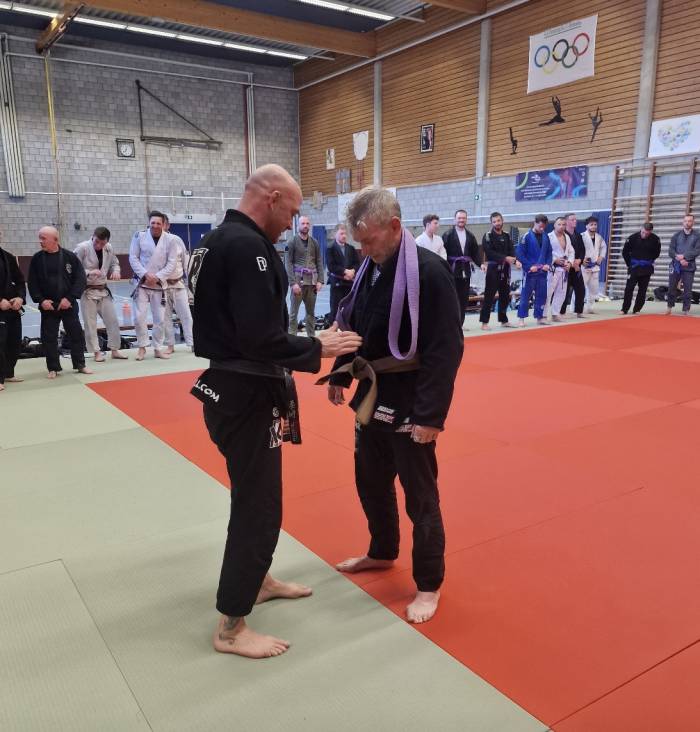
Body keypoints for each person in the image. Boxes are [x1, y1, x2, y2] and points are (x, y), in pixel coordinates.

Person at [190, 164, 362, 659]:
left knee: (256, 496)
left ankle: (257, 579)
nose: (291, 223)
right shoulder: (248, 248)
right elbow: (259, 338)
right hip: (245, 393)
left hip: (230, 386)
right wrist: (317, 347)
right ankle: (231, 625)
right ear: (271, 198)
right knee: (259, 505)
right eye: (291, 211)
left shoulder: (214, 241)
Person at [323, 186, 463, 625]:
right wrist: (342, 372)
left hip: (411, 399)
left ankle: (428, 584)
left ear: (395, 226)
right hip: (373, 394)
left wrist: (431, 416)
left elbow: (446, 349)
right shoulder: (371, 268)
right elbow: (354, 325)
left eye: (368, 240)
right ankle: (382, 550)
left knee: (420, 497)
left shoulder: (430, 272)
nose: (362, 250)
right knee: (370, 480)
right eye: (358, 243)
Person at [28, 226, 92, 378]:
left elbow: (80, 279)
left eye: (43, 238)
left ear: (55, 240)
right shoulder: (37, 259)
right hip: (48, 306)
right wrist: (41, 300)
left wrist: (70, 298)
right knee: (48, 338)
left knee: (76, 335)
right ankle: (53, 367)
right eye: (40, 238)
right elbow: (32, 282)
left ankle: (80, 364)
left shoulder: (70, 257)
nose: (40, 241)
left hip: (68, 304)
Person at [128, 211, 178, 361]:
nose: (155, 226)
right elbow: (133, 257)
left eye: (158, 223)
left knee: (160, 319)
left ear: (163, 224)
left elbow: (172, 262)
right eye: (153, 223)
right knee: (139, 317)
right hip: (142, 283)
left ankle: (157, 348)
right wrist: (145, 274)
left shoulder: (171, 239)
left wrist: (158, 277)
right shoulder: (139, 236)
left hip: (159, 284)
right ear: (149, 223)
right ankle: (142, 347)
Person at [74, 227, 127, 363]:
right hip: (87, 291)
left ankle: (114, 349)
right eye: (97, 242)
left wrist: (116, 271)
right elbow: (73, 268)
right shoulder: (82, 248)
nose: (99, 245)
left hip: (103, 290)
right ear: (93, 236)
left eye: (102, 243)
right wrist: (89, 272)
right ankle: (96, 352)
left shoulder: (108, 248)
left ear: (107, 242)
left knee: (112, 321)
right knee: (90, 324)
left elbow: (115, 263)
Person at [479, 211, 520, 330]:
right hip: (493, 269)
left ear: (502, 221)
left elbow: (511, 250)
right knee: (489, 296)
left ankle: (503, 320)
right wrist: (505, 258)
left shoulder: (506, 235)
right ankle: (484, 322)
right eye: (494, 221)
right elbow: (489, 253)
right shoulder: (487, 236)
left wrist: (515, 260)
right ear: (491, 223)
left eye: (498, 221)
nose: (497, 223)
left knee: (505, 295)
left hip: (506, 269)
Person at [286, 215, 324, 338]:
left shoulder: (314, 242)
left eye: (307, 223)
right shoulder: (292, 242)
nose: (305, 226)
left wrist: (320, 280)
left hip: (312, 282)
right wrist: (293, 283)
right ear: (298, 225)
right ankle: (292, 338)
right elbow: (288, 263)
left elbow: (319, 261)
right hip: (298, 282)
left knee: (311, 313)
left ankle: (311, 338)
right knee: (293, 313)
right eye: (303, 223)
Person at [162, 215, 194, 353]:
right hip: (162, 286)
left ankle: (192, 343)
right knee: (165, 317)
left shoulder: (176, 240)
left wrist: (190, 284)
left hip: (178, 283)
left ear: (167, 225)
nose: (159, 227)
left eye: (162, 224)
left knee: (186, 315)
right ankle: (170, 345)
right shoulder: (152, 243)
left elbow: (186, 262)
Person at [442, 209, 480, 325]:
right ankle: (450, 324)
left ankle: (460, 324)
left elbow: (475, 253)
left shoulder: (470, 235)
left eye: (463, 218)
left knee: (464, 299)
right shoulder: (447, 235)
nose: (461, 220)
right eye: (459, 218)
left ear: (466, 220)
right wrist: (444, 269)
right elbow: (443, 254)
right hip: (452, 270)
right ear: (455, 219)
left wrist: (481, 264)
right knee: (452, 298)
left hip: (465, 270)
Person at [0, 236, 26, 391]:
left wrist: (20, 297)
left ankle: (9, 373)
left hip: (12, 308)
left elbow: (20, 281)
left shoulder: (7, 257)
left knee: (14, 342)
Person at [516, 214, 551, 326]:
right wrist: (529, 266)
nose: (542, 228)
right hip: (530, 272)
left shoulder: (546, 236)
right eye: (540, 226)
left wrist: (548, 264)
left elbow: (549, 253)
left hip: (542, 272)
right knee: (525, 296)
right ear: (535, 223)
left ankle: (539, 317)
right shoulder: (526, 236)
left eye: (543, 227)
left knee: (542, 295)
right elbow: (520, 254)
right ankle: (521, 318)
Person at [621, 223, 661, 315]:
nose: (644, 235)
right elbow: (625, 252)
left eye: (647, 233)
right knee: (629, 288)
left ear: (650, 232)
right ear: (641, 229)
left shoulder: (655, 239)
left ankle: (637, 309)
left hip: (646, 267)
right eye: (643, 232)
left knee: (642, 289)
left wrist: (648, 260)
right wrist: (629, 264)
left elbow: (657, 253)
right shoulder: (632, 238)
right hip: (634, 267)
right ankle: (624, 309)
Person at [666, 213, 700, 316]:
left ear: (693, 222)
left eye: (689, 221)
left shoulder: (697, 236)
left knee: (687, 289)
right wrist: (679, 258)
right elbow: (670, 251)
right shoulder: (676, 236)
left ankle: (686, 309)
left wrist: (684, 256)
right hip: (676, 265)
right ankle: (669, 307)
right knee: (671, 287)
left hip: (689, 266)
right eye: (685, 221)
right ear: (683, 222)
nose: (687, 223)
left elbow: (697, 251)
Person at [326, 223, 360, 324]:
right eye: (341, 233)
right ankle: (333, 329)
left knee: (350, 308)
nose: (344, 236)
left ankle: (348, 328)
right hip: (337, 284)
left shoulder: (351, 248)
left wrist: (353, 271)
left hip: (349, 283)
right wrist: (345, 271)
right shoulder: (330, 248)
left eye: (345, 234)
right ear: (335, 234)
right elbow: (331, 266)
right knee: (335, 309)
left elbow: (357, 263)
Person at [547, 217, 575, 321]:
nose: (561, 226)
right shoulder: (549, 237)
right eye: (559, 224)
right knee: (548, 293)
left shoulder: (567, 237)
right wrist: (554, 260)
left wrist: (570, 263)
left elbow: (571, 251)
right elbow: (545, 252)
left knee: (561, 293)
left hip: (564, 270)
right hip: (552, 269)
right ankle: (543, 315)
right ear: (554, 225)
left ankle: (555, 313)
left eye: (563, 224)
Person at [560, 213, 586, 318]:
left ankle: (579, 311)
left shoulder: (578, 235)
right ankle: (561, 312)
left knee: (581, 289)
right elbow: (561, 250)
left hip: (577, 267)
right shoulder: (562, 235)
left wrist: (579, 260)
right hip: (566, 267)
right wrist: (571, 261)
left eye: (575, 219)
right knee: (564, 291)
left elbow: (583, 250)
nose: (575, 221)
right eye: (572, 219)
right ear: (566, 222)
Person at [581, 216, 607, 314]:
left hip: (595, 266)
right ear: (586, 226)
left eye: (595, 224)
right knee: (580, 288)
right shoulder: (582, 236)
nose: (594, 226)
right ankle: (575, 307)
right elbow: (577, 249)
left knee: (594, 288)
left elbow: (604, 247)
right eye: (591, 224)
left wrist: (601, 257)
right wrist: (581, 259)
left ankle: (590, 308)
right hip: (584, 266)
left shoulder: (599, 237)